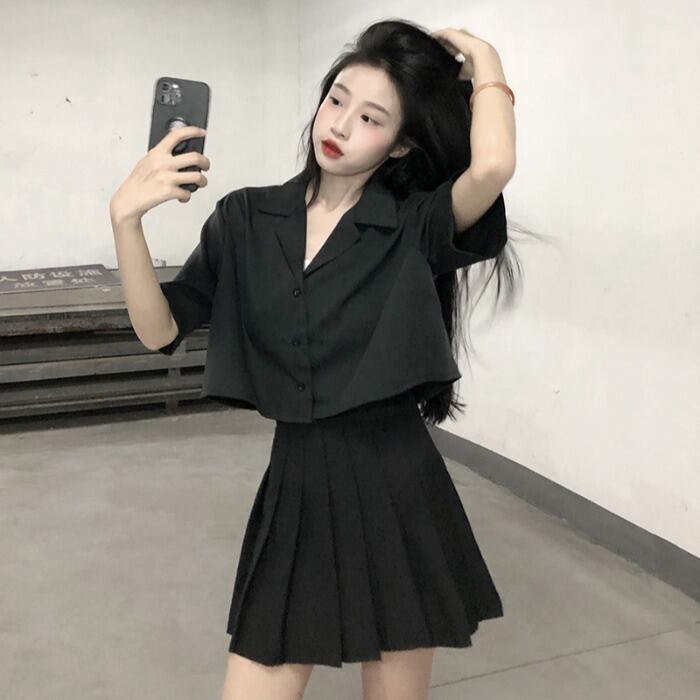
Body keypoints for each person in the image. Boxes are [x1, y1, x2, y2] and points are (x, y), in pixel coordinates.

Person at [111, 18, 520, 700]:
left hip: (398, 486)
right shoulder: (246, 219)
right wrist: (126, 220)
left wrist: (487, 62)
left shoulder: (414, 224)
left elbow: (493, 167)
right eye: (337, 99)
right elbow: (161, 330)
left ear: (400, 144)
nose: (340, 125)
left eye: (371, 118)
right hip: (296, 484)